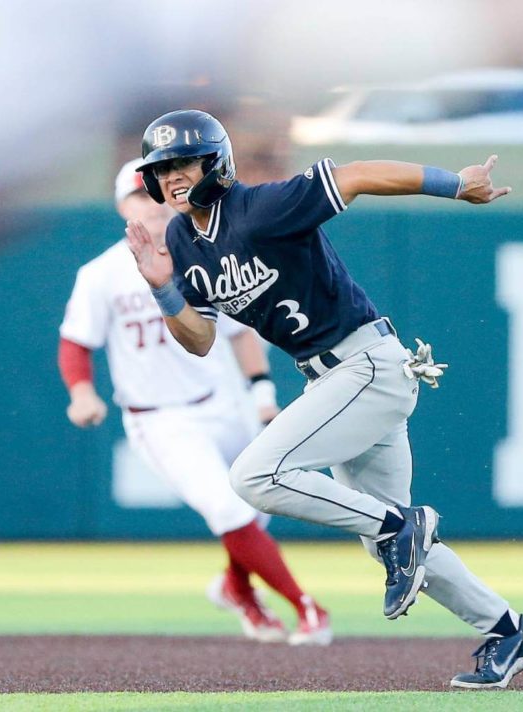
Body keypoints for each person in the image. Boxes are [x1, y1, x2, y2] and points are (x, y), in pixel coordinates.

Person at [125, 110, 523, 689]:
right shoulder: (179, 239)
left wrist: (456, 184)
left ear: (214, 163)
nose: (173, 177)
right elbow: (200, 341)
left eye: (184, 162)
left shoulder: (259, 207)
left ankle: (402, 527)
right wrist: (164, 289)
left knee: (254, 476)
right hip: (332, 381)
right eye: (162, 168)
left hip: (367, 366)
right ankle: (509, 631)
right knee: (392, 548)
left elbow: (353, 175)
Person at [58, 160, 332, 646]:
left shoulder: (201, 253)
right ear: (123, 206)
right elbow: (76, 340)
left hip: (222, 402)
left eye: (156, 194)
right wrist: (81, 392)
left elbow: (239, 334)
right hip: (160, 418)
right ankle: (306, 606)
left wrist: (262, 394)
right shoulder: (101, 273)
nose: (151, 204)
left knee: (255, 503)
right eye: (139, 196)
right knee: (229, 511)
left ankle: (236, 588)